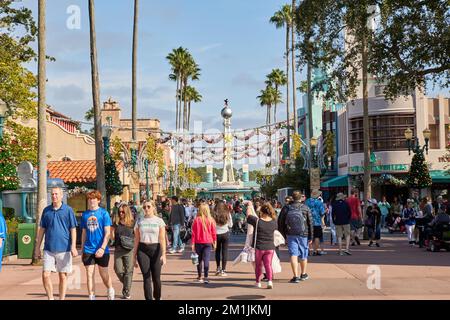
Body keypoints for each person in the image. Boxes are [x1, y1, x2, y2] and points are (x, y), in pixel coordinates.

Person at [34, 187, 78, 300]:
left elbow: (73, 229)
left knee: (62, 276)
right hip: (48, 248)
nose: (54, 196)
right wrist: (37, 247)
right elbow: (42, 229)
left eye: (56, 194)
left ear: (61, 195)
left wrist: (73, 246)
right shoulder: (46, 210)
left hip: (64, 248)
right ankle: (50, 298)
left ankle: (61, 298)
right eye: (52, 194)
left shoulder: (68, 210)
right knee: (45, 275)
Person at [81, 190, 115, 300]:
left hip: (102, 249)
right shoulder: (85, 215)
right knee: (89, 274)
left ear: (98, 200)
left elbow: (108, 233)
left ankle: (110, 288)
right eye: (90, 199)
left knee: (103, 274)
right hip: (88, 249)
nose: (91, 201)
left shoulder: (104, 214)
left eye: (94, 199)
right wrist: (82, 248)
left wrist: (102, 248)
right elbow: (84, 232)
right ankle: (92, 296)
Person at [133, 200, 166, 300]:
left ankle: (157, 297)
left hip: (156, 249)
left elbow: (162, 238)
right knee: (146, 277)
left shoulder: (159, 221)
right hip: (143, 249)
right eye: (144, 207)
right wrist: (134, 256)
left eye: (148, 207)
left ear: (153, 208)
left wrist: (164, 254)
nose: (146, 209)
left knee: (156, 277)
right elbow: (137, 239)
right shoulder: (139, 221)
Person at [278, 191, 313, 283]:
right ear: (301, 197)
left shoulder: (286, 208)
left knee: (293, 254)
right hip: (303, 234)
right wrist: (311, 237)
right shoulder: (305, 208)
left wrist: (283, 235)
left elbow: (280, 222)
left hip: (290, 234)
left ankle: (295, 276)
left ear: (292, 198)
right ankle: (303, 274)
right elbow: (310, 223)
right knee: (303, 254)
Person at [247, 202, 278, 289]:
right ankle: (270, 281)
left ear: (261, 211)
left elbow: (248, 215)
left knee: (258, 265)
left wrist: (249, 205)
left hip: (259, 247)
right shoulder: (274, 222)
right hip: (270, 247)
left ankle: (258, 282)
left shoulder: (257, 221)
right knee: (268, 265)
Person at [111, 203, 135, 299]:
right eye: (119, 212)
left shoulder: (133, 223)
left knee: (128, 271)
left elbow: (136, 236)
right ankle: (127, 283)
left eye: (123, 212)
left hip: (129, 250)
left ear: (127, 212)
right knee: (118, 270)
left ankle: (126, 291)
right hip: (118, 249)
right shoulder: (116, 223)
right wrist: (111, 233)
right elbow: (112, 235)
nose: (121, 213)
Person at [191, 203, 217, 284]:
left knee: (198, 260)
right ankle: (206, 276)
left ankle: (199, 276)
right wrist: (214, 242)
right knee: (206, 259)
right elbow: (213, 232)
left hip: (198, 242)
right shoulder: (211, 220)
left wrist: (192, 243)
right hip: (208, 242)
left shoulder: (196, 220)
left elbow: (193, 233)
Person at [213, 202, 233, 276]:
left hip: (216, 234)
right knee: (224, 252)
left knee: (217, 251)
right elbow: (231, 224)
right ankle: (223, 270)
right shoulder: (227, 214)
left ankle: (218, 268)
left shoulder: (214, 214)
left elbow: (212, 224)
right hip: (225, 233)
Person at [305, 190, 326, 256]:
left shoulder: (307, 201)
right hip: (317, 222)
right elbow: (322, 213)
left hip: (308, 222)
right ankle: (315, 251)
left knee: (308, 237)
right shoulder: (319, 203)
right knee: (317, 237)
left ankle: (308, 250)